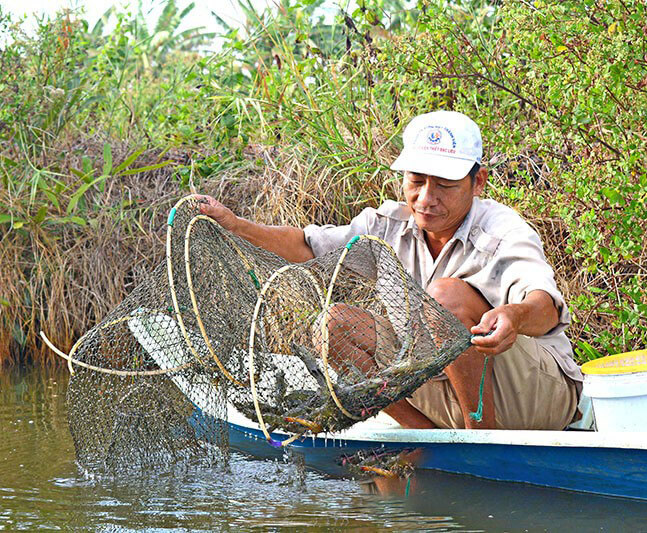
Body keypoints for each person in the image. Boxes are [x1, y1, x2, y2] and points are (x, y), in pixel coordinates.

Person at [197, 110, 583, 430]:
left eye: (445, 185)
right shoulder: (386, 225)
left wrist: (512, 317)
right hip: (442, 392)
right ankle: (421, 435)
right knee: (333, 326)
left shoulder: (502, 230)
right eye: (416, 181)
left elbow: (545, 306)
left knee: (446, 298)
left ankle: (479, 442)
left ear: (477, 181)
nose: (426, 199)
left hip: (534, 399)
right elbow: (305, 245)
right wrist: (235, 224)